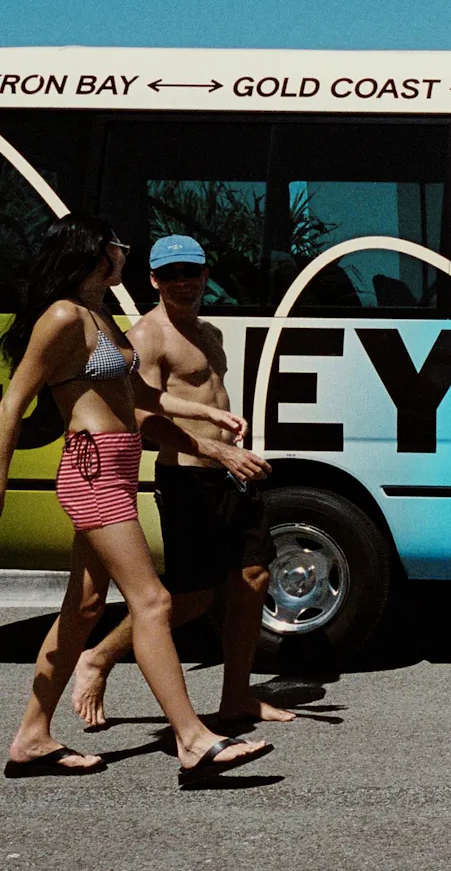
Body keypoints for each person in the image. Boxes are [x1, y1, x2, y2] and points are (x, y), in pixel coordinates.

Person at [0, 215, 272, 784]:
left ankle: (30, 737)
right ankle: (193, 740)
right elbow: (12, 403)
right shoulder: (62, 316)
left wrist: (206, 419)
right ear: (96, 253)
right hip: (92, 470)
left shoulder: (101, 316)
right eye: (116, 243)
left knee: (84, 608)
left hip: (119, 467)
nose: (123, 249)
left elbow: (143, 398)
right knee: (154, 602)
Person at [70, 235, 294, 732]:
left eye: (190, 272)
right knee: (191, 599)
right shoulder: (147, 337)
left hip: (232, 472)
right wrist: (216, 449)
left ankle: (236, 699)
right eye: (169, 275)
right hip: (189, 478)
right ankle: (99, 658)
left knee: (252, 578)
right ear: (152, 280)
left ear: (205, 274)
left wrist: (230, 444)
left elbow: (206, 396)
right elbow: (143, 416)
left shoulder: (209, 331)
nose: (182, 282)